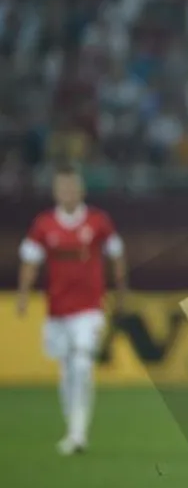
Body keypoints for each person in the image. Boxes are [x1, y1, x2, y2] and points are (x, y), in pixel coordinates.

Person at [16, 163, 128, 455]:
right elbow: (30, 260)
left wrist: (121, 290)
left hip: (89, 307)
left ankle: (79, 433)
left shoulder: (98, 222)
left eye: (72, 187)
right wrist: (24, 295)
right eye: (62, 187)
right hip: (57, 309)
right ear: (55, 191)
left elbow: (116, 254)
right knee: (66, 370)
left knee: (81, 363)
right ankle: (73, 428)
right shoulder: (44, 225)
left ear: (81, 190)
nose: (67, 192)